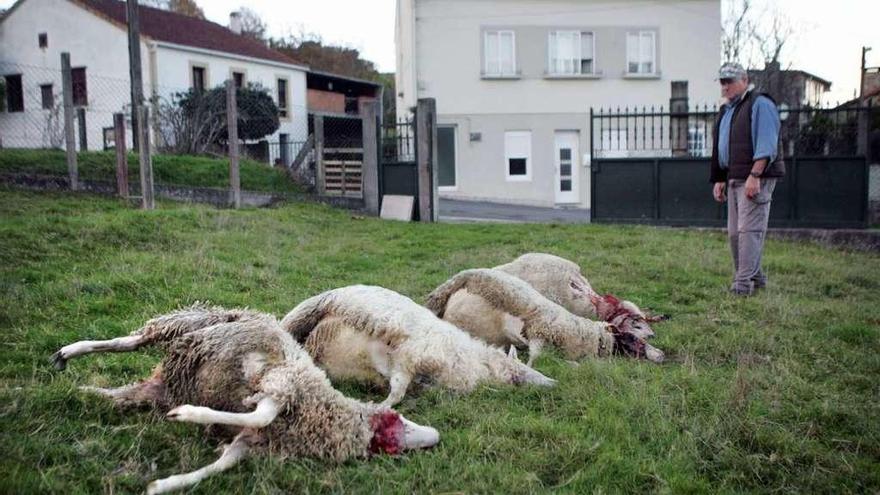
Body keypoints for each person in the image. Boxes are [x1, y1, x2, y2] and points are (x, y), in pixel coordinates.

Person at [710, 62, 785, 296]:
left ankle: (742, 285)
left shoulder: (759, 103)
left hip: (754, 177)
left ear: (744, 79)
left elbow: (767, 142)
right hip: (734, 177)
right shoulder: (728, 110)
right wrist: (720, 178)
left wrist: (755, 174)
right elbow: (724, 147)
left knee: (749, 231)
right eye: (722, 82)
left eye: (729, 81)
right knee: (736, 233)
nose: (725, 86)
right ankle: (757, 277)